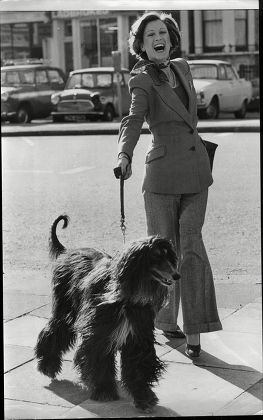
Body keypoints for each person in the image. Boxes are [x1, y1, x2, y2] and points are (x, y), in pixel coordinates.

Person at [115, 11, 222, 357]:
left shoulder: (183, 67)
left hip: (196, 171)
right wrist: (124, 155)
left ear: (170, 38)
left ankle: (195, 332)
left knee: (191, 249)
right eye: (150, 36)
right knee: (163, 254)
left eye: (162, 32)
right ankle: (164, 321)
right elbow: (132, 121)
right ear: (142, 46)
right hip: (160, 179)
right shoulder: (141, 79)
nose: (158, 38)